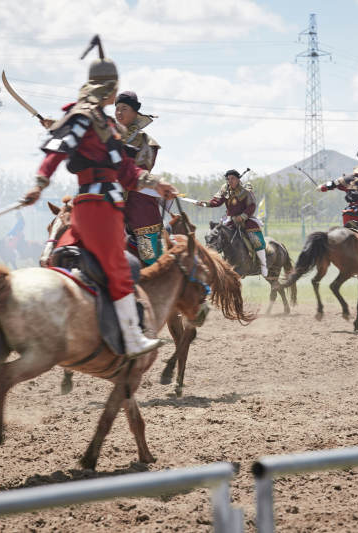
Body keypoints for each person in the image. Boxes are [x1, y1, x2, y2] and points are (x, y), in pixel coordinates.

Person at [21, 35, 178, 358]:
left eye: (123, 106)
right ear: (109, 90)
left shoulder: (106, 126)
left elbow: (128, 171)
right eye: (115, 98)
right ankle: (131, 337)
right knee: (119, 267)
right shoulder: (87, 117)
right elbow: (60, 148)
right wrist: (40, 182)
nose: (117, 105)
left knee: (79, 256)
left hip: (115, 206)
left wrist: (157, 183)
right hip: (100, 208)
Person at [115, 91, 166, 265]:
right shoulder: (108, 137)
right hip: (111, 198)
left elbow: (141, 170)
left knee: (149, 255)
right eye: (117, 108)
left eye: (124, 108)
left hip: (138, 202)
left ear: (135, 112)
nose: (119, 112)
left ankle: (155, 272)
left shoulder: (146, 142)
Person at [199, 169, 268, 277]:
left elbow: (252, 206)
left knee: (256, 239)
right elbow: (216, 202)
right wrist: (204, 204)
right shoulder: (225, 190)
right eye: (228, 179)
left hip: (246, 220)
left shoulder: (246, 191)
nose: (230, 181)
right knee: (218, 235)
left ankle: (263, 264)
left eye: (232, 178)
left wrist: (242, 216)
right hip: (230, 220)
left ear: (238, 180)